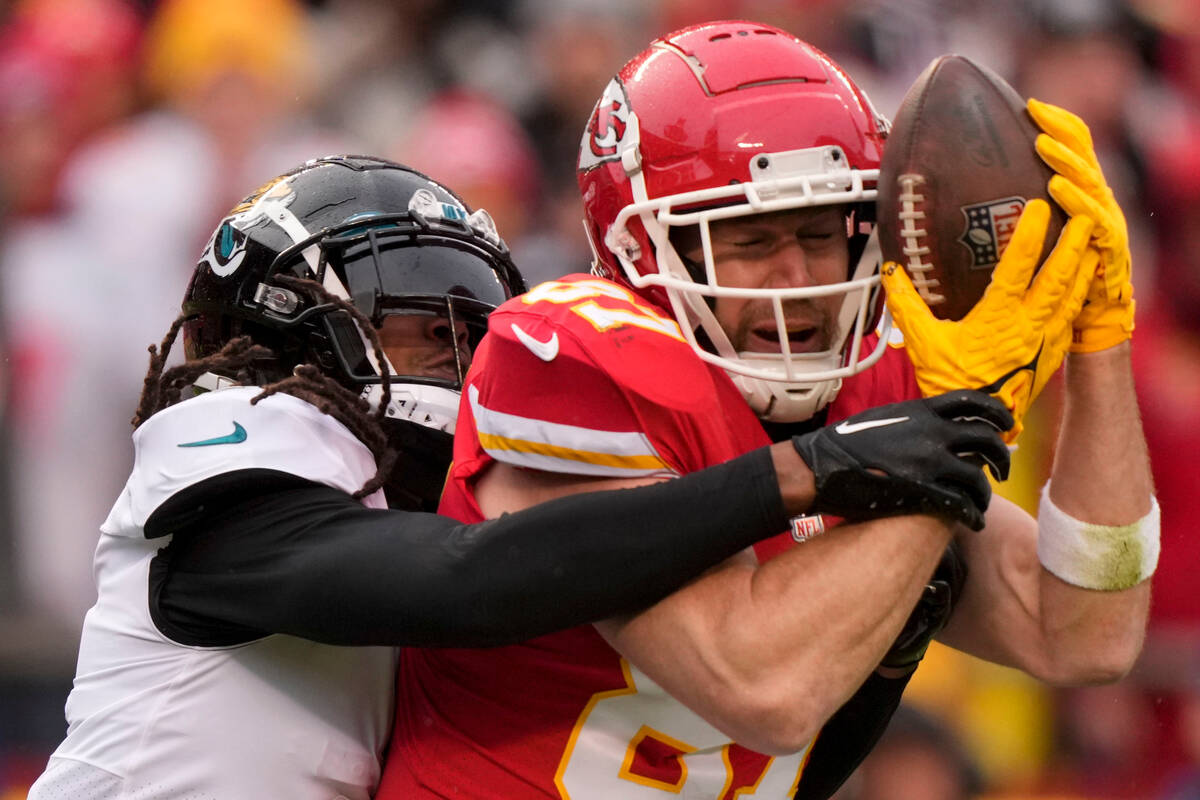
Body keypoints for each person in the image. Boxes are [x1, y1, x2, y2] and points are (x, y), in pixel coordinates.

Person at [25, 155, 1003, 800]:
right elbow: (469, 579)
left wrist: (880, 657)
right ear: (287, 324)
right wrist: (795, 473)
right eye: (423, 332)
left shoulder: (409, 505)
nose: (460, 370)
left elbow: (733, 768)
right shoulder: (234, 453)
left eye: (471, 336)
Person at [379, 21, 1155, 800]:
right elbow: (763, 688)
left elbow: (1087, 632)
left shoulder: (880, 373)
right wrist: (952, 433)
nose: (798, 278)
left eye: (820, 234)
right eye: (746, 240)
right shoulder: (578, 360)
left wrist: (1101, 341)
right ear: (645, 252)